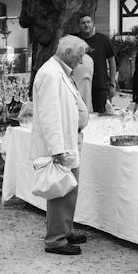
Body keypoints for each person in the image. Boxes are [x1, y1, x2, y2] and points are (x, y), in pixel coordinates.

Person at [31, 35, 90, 255]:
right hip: (60, 145)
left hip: (68, 140)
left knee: (69, 188)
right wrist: (57, 150)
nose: (82, 61)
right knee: (61, 190)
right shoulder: (50, 74)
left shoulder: (59, 72)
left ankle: (64, 229)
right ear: (67, 53)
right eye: (80, 55)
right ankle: (56, 239)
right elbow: (49, 115)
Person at [78, 15, 116, 113]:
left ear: (93, 23)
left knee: (100, 115)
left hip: (100, 85)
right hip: (79, 86)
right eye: (83, 23)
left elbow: (112, 62)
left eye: (88, 22)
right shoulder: (75, 40)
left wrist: (112, 84)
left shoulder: (103, 40)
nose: (86, 25)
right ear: (79, 25)